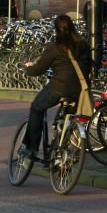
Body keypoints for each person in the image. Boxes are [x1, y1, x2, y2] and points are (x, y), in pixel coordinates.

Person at [21, 14, 91, 157]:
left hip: (60, 87)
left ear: (56, 30)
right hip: (80, 90)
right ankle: (59, 151)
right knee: (68, 117)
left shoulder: (55, 47)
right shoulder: (83, 44)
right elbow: (88, 66)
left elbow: (39, 69)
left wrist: (28, 68)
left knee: (36, 107)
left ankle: (32, 147)